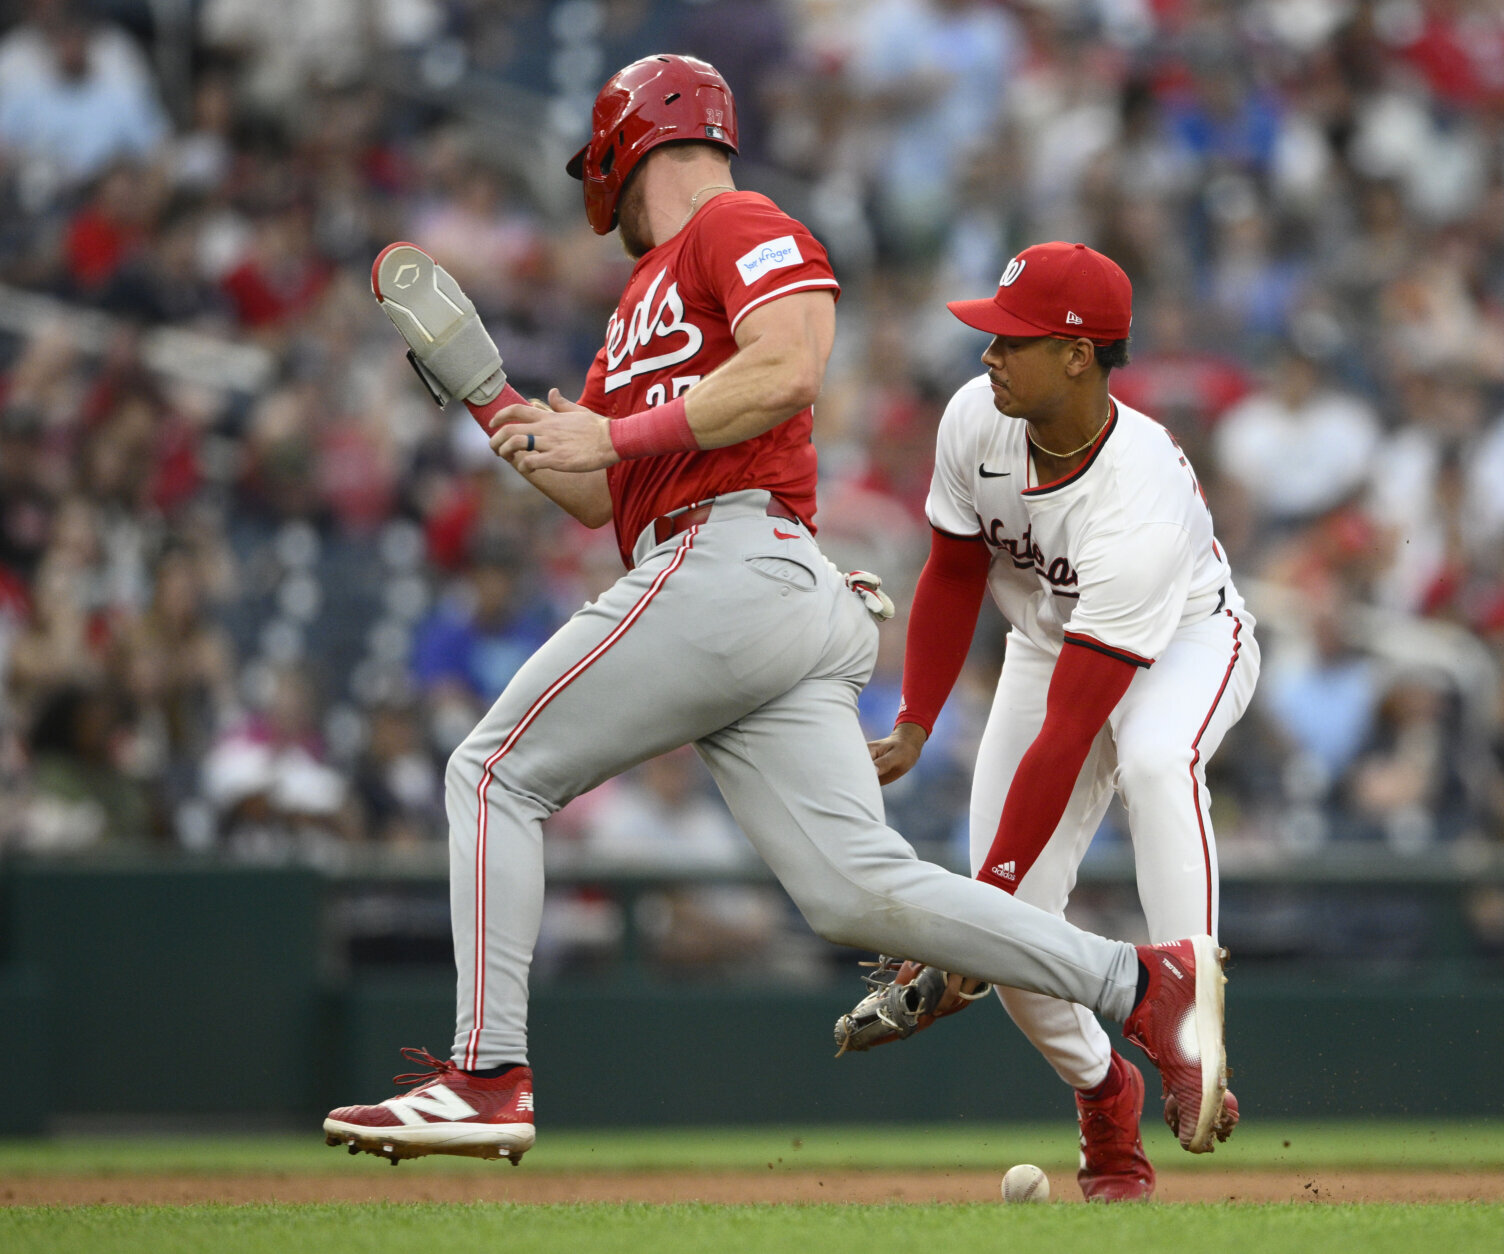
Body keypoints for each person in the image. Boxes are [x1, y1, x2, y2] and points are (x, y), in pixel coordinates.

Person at [323, 55, 1228, 1166]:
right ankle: (1139, 982)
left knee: (491, 771)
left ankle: (485, 1075)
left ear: (624, 146)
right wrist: (492, 401)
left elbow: (790, 367)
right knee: (858, 894)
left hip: (735, 560)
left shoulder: (736, 221)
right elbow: (596, 488)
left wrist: (612, 433)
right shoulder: (639, 302)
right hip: (748, 591)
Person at [852, 242, 1258, 1199]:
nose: (988, 355)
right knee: (1014, 935)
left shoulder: (1139, 499)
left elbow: (1074, 733)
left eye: (1012, 341)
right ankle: (1104, 1097)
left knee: (1154, 759)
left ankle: (1188, 1024)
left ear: (1078, 355)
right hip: (1048, 643)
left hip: (1186, 639)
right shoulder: (976, 417)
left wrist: (971, 915)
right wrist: (916, 719)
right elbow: (954, 569)